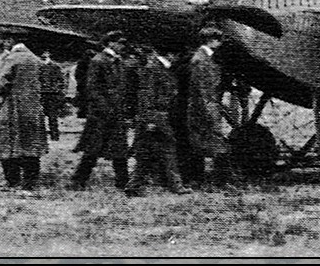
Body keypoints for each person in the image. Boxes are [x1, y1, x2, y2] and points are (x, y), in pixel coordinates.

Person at [0, 27, 51, 191]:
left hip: (12, 107)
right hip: (33, 108)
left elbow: (3, 82)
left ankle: (12, 181)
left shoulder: (12, 59)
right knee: (31, 146)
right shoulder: (35, 59)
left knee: (8, 144)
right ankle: (31, 182)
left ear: (10, 41)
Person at [68, 31, 133, 190]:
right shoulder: (99, 61)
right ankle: (78, 180)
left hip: (115, 112)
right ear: (110, 43)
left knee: (119, 149)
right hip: (101, 114)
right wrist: (105, 108)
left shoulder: (117, 61)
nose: (122, 46)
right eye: (120, 43)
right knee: (93, 149)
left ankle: (123, 182)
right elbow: (93, 89)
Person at [125, 42, 190, 197]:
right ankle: (176, 186)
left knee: (153, 153)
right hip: (155, 117)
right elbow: (146, 96)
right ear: (170, 54)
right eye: (176, 55)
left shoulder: (159, 69)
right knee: (163, 151)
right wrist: (149, 120)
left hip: (158, 116)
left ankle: (135, 186)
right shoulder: (153, 69)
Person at [180, 29, 239, 190]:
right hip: (203, 108)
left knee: (203, 144)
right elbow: (202, 89)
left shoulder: (206, 58)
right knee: (213, 144)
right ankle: (220, 181)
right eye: (218, 40)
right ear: (211, 40)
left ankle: (201, 180)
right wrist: (210, 112)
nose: (220, 43)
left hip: (204, 107)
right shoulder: (201, 60)